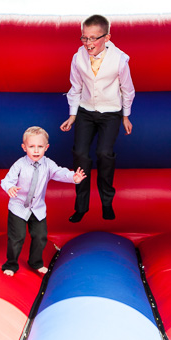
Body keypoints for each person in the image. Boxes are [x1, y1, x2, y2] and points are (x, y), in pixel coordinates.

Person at [60, 14, 135, 222]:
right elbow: (76, 87)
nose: (88, 43)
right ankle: (81, 207)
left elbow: (127, 90)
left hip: (111, 113)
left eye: (94, 38)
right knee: (81, 155)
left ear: (107, 38)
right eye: (84, 38)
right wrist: (72, 115)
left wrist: (125, 116)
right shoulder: (78, 57)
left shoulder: (120, 60)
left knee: (104, 153)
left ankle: (106, 202)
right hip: (85, 111)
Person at [0, 126, 86, 276]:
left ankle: (35, 262)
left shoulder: (48, 164)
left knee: (40, 237)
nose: (36, 151)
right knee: (17, 238)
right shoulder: (19, 164)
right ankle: (11, 265)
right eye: (31, 147)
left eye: (40, 147)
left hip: (37, 208)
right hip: (18, 207)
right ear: (24, 147)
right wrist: (10, 187)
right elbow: (6, 180)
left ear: (46, 148)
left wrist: (73, 177)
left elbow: (60, 172)